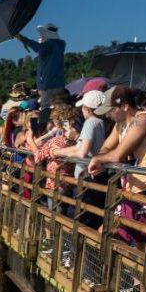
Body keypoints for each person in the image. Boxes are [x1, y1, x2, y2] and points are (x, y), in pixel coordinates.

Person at [88, 87, 146, 260]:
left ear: (124, 106)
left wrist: (100, 160)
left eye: (111, 110)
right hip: (136, 188)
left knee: (144, 237)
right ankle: (136, 276)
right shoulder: (120, 125)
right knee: (140, 240)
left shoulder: (143, 120)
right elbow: (106, 148)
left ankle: (140, 276)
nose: (108, 115)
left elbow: (117, 155)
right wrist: (101, 158)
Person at [51, 90, 108, 229]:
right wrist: (60, 152)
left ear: (88, 108)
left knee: (78, 218)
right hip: (94, 176)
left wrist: (56, 152)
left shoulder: (90, 123)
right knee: (91, 218)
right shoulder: (101, 122)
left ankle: (71, 243)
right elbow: (81, 147)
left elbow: (82, 152)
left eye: (83, 107)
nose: (81, 110)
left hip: (85, 177)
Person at [15, 23, 66, 124]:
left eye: (42, 36)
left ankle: (42, 129)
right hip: (57, 84)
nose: (40, 38)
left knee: (45, 112)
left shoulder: (50, 45)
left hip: (49, 86)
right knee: (58, 109)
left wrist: (23, 39)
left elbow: (38, 48)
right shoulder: (59, 45)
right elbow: (40, 48)